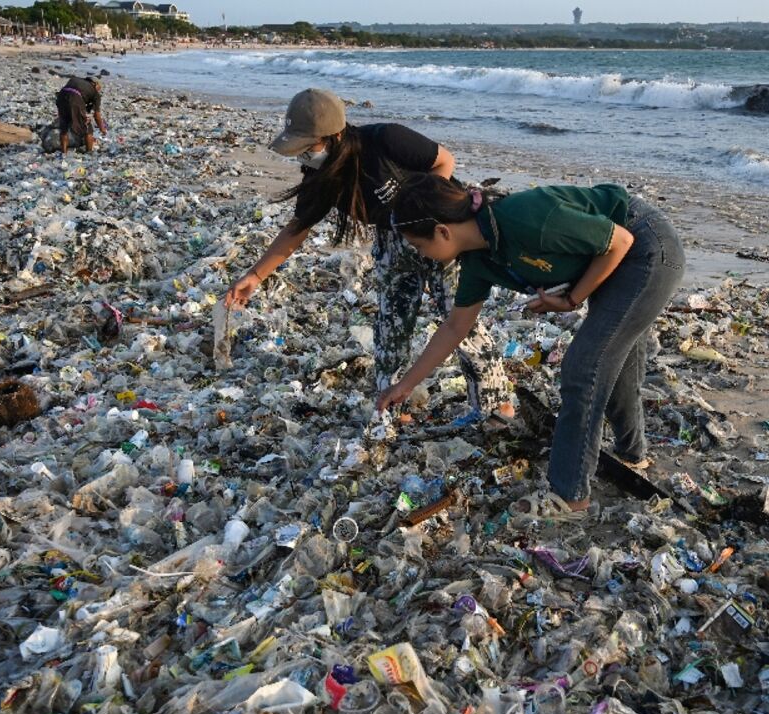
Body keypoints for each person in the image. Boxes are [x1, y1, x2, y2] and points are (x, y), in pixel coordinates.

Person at [376, 174, 685, 512]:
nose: (423, 256)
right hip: (613, 261)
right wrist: (405, 385)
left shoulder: (524, 216)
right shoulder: (479, 259)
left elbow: (621, 241)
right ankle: (632, 454)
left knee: (584, 368)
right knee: (613, 354)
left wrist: (572, 299)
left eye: (420, 247)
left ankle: (569, 497)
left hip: (646, 249)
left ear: (442, 231)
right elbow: (455, 327)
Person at [223, 88, 510, 423]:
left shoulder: (385, 140)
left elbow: (444, 161)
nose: (302, 155)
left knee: (459, 320)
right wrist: (255, 276)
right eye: (297, 148)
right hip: (392, 242)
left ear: (334, 135)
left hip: (440, 232)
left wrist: (420, 211)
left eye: (307, 147)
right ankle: (391, 408)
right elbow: (297, 228)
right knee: (391, 326)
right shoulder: (322, 173)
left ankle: (494, 405)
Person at [56, 76, 107, 154]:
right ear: (95, 84)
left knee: (64, 125)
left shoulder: (75, 79)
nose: (99, 90)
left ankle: (64, 153)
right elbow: (97, 115)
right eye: (99, 87)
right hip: (75, 99)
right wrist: (102, 129)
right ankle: (89, 152)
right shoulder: (95, 93)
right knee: (87, 127)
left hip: (61, 97)